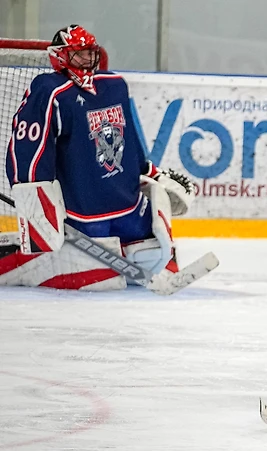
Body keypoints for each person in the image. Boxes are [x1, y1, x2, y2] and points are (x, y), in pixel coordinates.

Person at [1, 24, 194, 290]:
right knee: (94, 272)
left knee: (152, 237)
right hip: (84, 211)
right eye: (78, 54)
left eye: (89, 53)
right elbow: (29, 145)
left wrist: (147, 169)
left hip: (126, 202)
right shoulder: (51, 91)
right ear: (60, 56)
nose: (87, 60)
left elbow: (130, 136)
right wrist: (31, 191)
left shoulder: (113, 84)